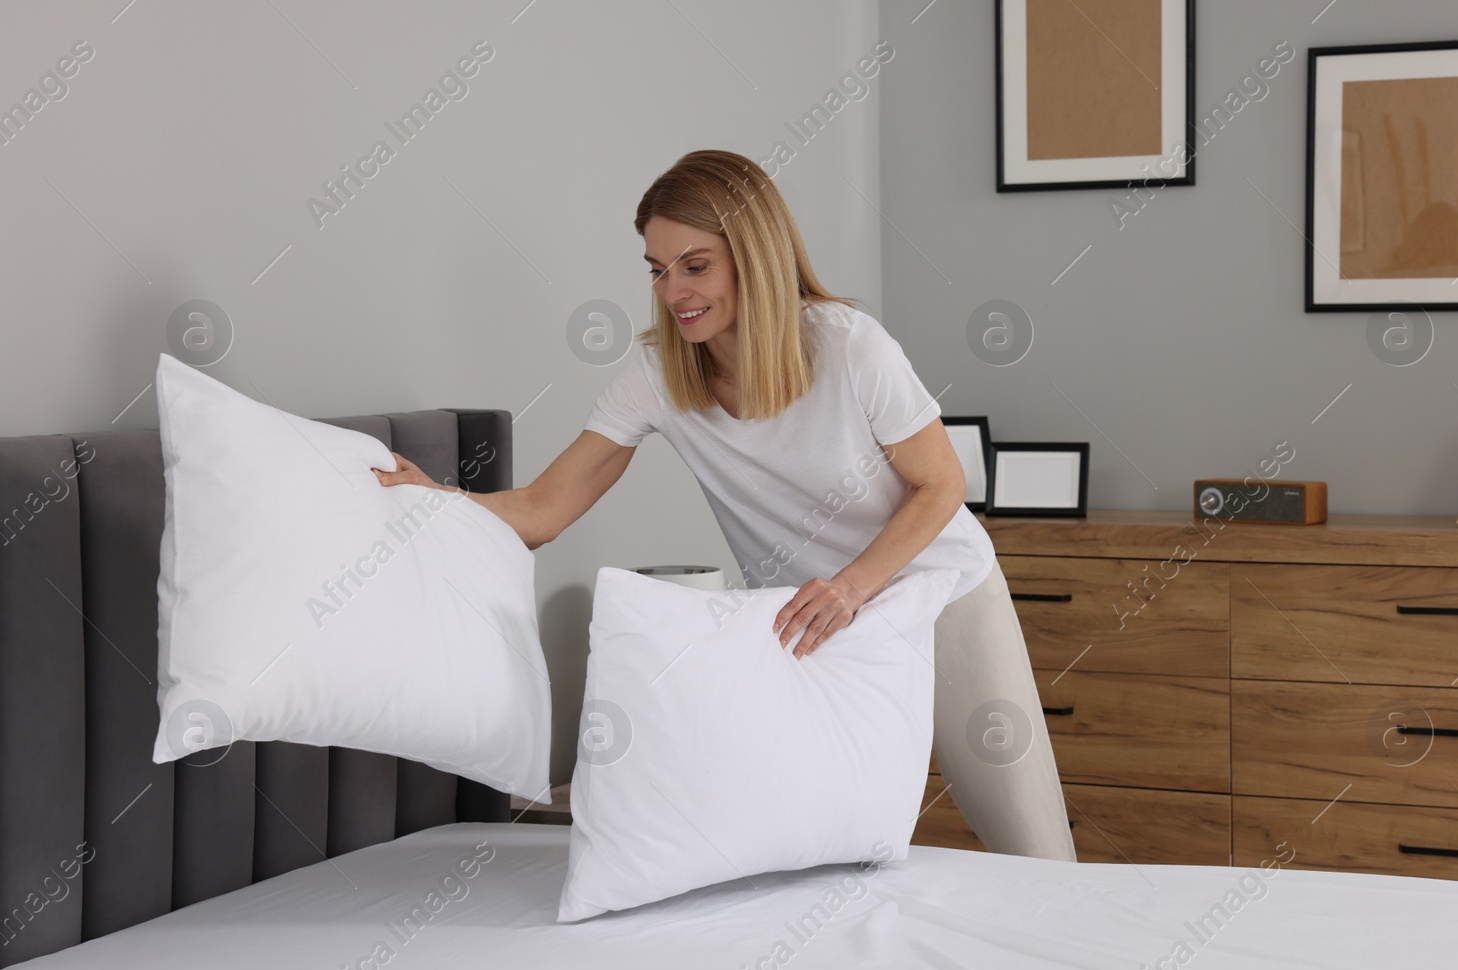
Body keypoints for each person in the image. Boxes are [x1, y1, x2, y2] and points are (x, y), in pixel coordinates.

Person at [374, 149, 1075, 861]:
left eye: (695, 265)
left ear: (754, 256)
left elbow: (942, 484)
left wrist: (851, 588)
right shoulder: (657, 377)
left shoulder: (847, 346)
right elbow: (542, 511)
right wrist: (439, 502)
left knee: (1031, 844)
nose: (673, 290)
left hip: (944, 597)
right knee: (823, 852)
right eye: (657, 268)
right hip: (815, 628)